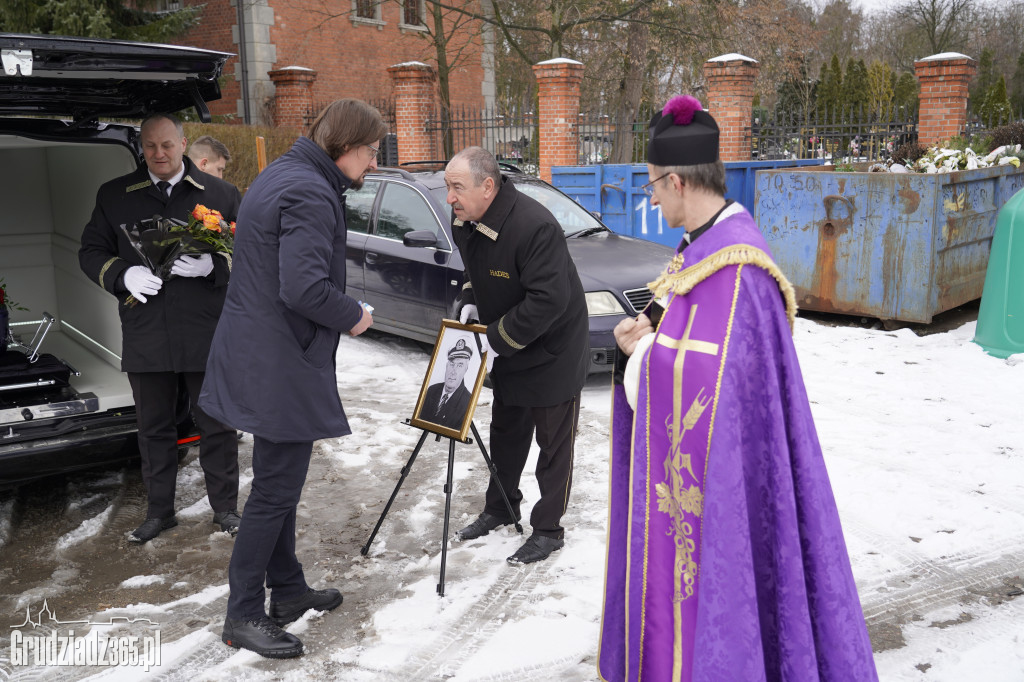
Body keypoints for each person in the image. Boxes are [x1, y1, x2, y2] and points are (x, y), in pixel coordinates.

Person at [597, 96, 878, 681]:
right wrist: (654, 326)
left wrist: (640, 353)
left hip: (724, 475)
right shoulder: (702, 251)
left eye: (651, 185)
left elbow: (709, 383)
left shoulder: (738, 270)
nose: (649, 197)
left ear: (677, 182)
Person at [198, 99, 383, 658]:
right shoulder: (309, 189)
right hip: (277, 361)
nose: (374, 164)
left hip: (259, 352)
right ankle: (244, 615)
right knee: (276, 489)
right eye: (372, 152)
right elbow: (301, 288)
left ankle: (288, 590)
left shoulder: (284, 170)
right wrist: (355, 315)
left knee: (278, 484)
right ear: (345, 146)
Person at [78, 113, 242, 544]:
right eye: (150, 146)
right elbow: (90, 250)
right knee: (153, 427)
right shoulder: (115, 195)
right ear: (141, 149)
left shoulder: (221, 194)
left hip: (205, 330)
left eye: (167, 145)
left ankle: (226, 509)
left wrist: (216, 263)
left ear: (184, 144)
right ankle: (159, 512)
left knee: (217, 424)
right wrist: (122, 275)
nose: (159, 154)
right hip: (146, 328)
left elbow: (252, 251)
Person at [445, 146, 589, 565]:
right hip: (507, 339)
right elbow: (476, 273)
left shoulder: (534, 226)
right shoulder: (467, 221)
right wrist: (471, 298)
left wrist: (495, 339)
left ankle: (548, 529)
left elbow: (549, 300)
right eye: (447, 188)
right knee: (506, 430)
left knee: (552, 444)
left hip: (551, 348)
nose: (450, 198)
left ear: (487, 186)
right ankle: (500, 507)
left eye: (457, 188)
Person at [419, 338, 473, 429]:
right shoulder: (431, 390)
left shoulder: (467, 401)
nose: (453, 371)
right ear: (447, 365)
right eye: (452, 364)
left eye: (460, 365)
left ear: (466, 370)